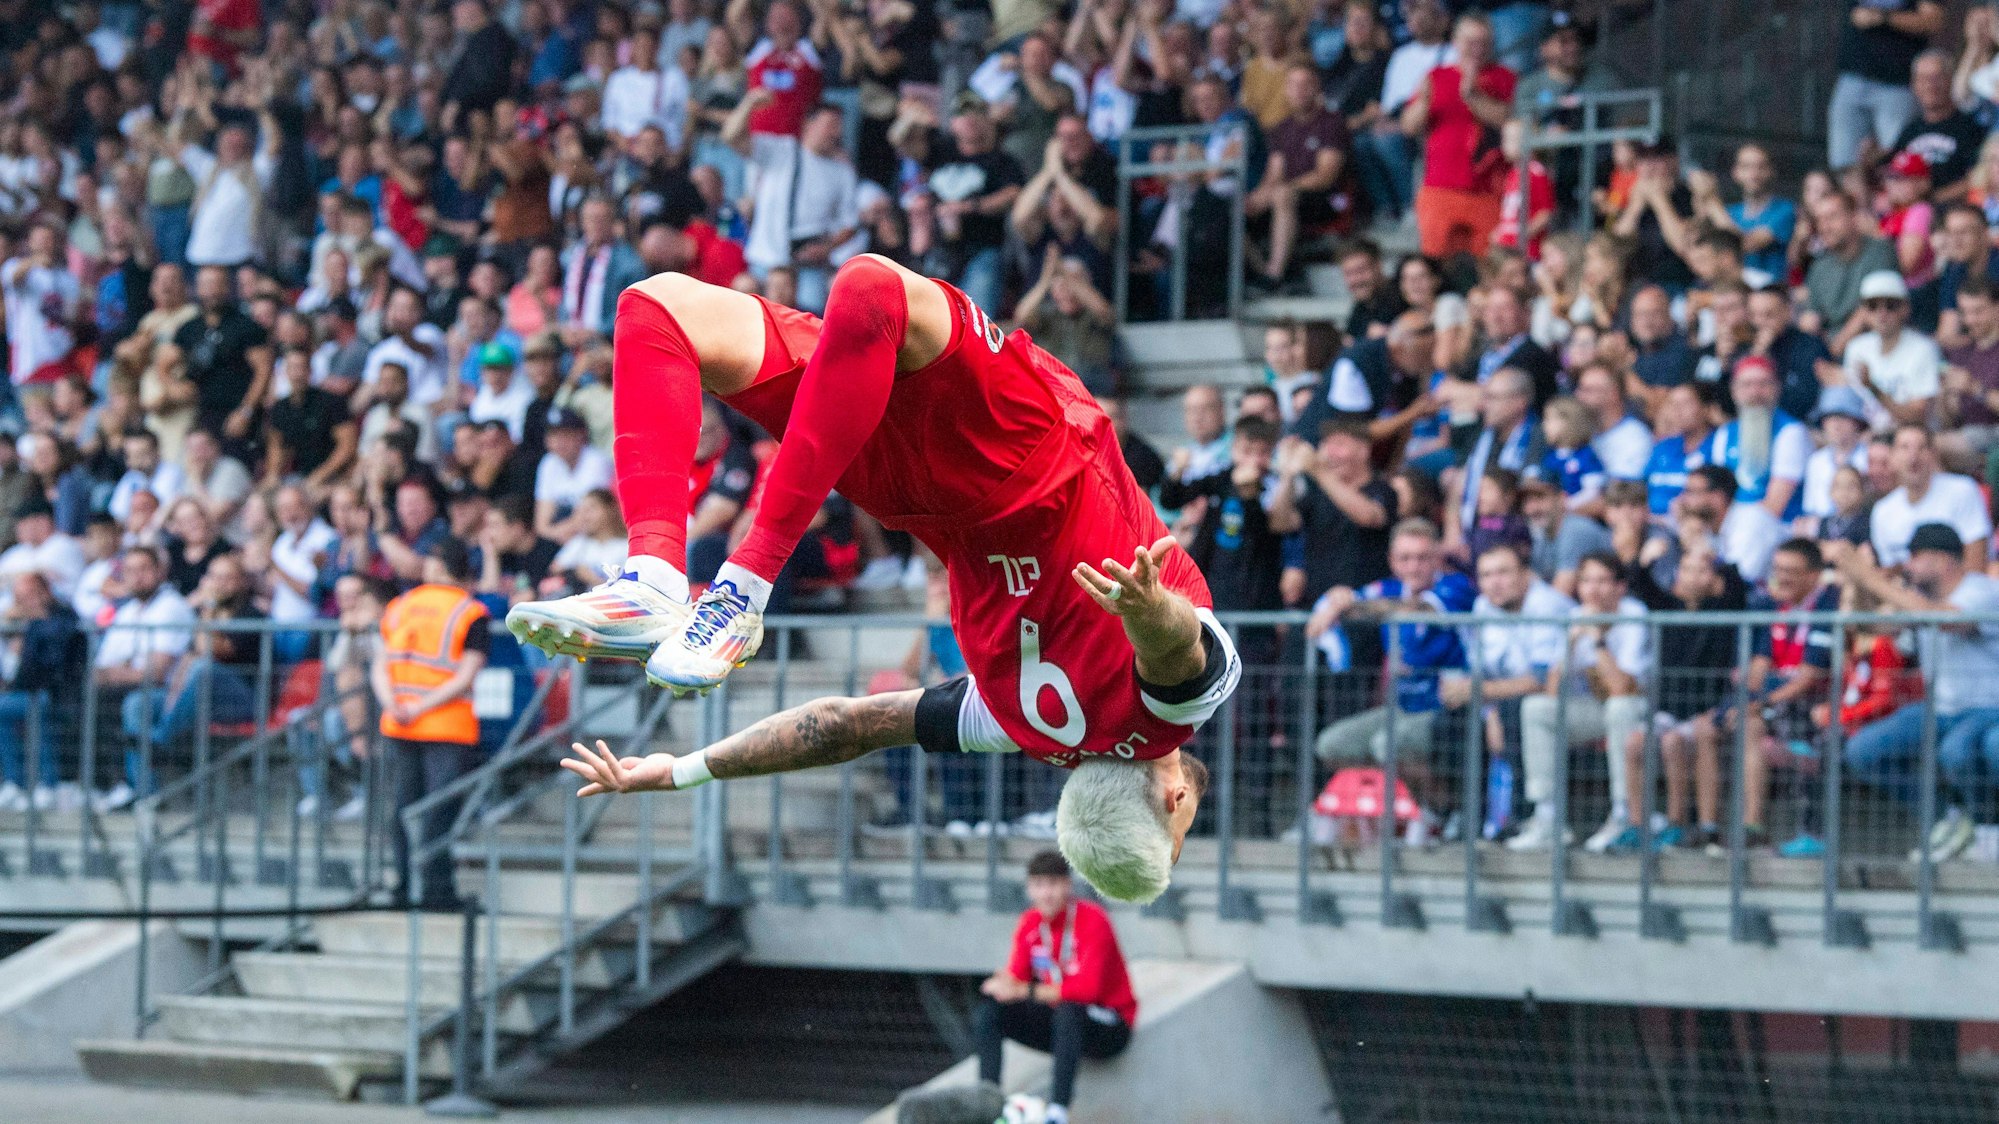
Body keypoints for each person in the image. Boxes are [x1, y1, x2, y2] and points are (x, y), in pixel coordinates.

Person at [533, 262, 1237, 904]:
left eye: (1180, 837)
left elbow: (1174, 657)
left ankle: (736, 584)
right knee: (658, 310)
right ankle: (653, 573)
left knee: (868, 287)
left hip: (1015, 452)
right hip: (906, 491)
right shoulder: (1011, 727)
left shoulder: (1169, 717)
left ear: (1173, 800)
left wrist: (1147, 610)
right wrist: (683, 771)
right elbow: (843, 726)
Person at [1835, 523, 1999, 862]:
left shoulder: (1981, 590)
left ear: (1941, 559)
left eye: (1914, 557)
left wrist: (1868, 576)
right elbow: (1869, 626)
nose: (1908, 566)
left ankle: (1987, 828)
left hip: (1987, 707)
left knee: (1956, 751)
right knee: (1863, 751)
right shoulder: (1920, 600)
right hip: (1939, 709)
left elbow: (1948, 620)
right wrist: (1857, 581)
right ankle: (1949, 818)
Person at [972, 851, 1134, 1124]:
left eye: (1053, 884)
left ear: (1067, 885)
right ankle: (987, 1105)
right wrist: (1001, 984)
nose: (1046, 893)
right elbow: (1017, 976)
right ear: (1029, 888)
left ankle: (1058, 1111)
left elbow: (1087, 991)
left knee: (1070, 1010)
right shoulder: (1030, 922)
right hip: (1063, 1024)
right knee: (989, 1012)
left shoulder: (1092, 919)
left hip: (1109, 1024)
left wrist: (1024, 990)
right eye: (1038, 885)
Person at [373, 540, 491, 911]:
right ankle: (437, 892)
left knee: (402, 809)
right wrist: (423, 706)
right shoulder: (470, 612)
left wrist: (394, 703)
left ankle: (402, 887)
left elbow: (380, 664)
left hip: (399, 721)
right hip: (446, 725)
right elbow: (466, 675)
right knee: (438, 813)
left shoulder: (399, 607)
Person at [1508, 552, 1650, 852]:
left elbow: (1622, 688)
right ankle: (1547, 816)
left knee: (1619, 708)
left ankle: (1623, 812)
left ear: (1620, 587)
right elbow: (1552, 690)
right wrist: (1570, 645)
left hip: (1640, 711)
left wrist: (1598, 639)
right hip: (1596, 709)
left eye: (1602, 581)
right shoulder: (1575, 616)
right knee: (1536, 709)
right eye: (1585, 581)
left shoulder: (1634, 614)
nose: (1592, 589)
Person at [0, 572, 84, 812]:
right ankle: (16, 781)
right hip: (31, 693)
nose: (24, 603)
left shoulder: (63, 616)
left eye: (28, 596)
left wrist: (34, 625)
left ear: (44, 592)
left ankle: (49, 782)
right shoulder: (30, 623)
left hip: (59, 694)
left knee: (15, 707)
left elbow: (53, 661)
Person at [1828, 0, 1942, 171]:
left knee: (1896, 161)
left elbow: (1933, 20)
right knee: (1844, 162)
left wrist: (1883, 18)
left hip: (1897, 83)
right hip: (1852, 76)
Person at [1869, 423, 1993, 569]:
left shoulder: (1962, 490)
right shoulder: (1882, 511)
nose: (1913, 456)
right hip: (1902, 590)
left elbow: (1976, 564)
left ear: (1933, 454)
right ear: (1892, 457)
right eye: (1904, 447)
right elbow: (1889, 570)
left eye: (1921, 448)